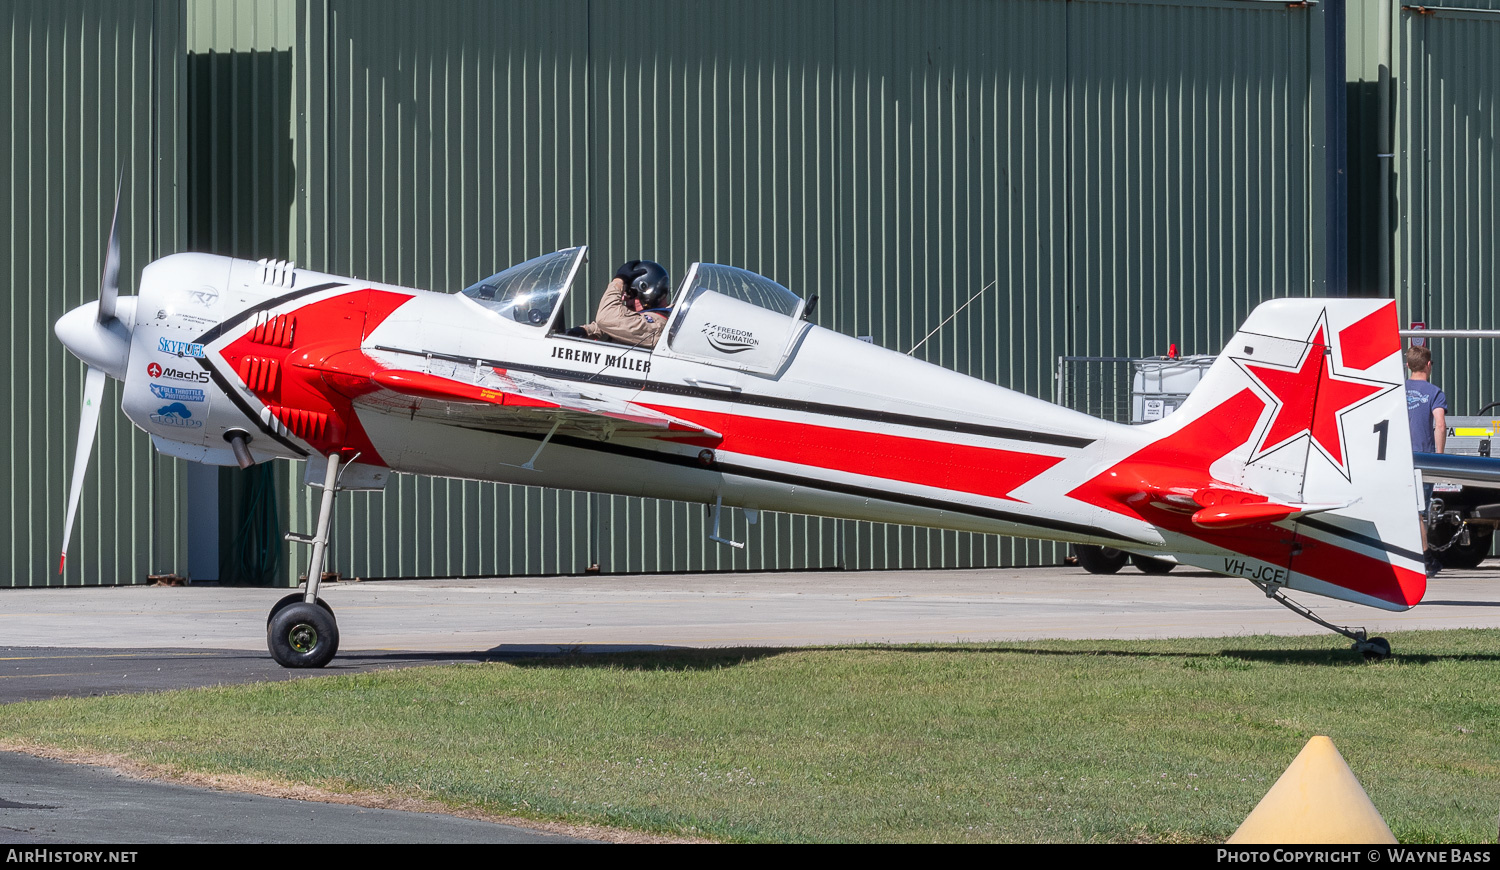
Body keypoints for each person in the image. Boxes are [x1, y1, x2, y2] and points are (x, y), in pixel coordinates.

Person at [1406, 344, 1447, 576]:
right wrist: (1439, 458)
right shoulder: (1434, 393)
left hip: (1396, 458)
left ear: (1408, 365)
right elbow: (1439, 425)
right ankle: (1425, 558)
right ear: (1429, 365)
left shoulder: (1396, 390)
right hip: (1422, 459)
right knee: (1417, 510)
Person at [566, 260, 672, 348]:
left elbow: (608, 319)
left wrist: (618, 281)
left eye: (630, 293)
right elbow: (614, 325)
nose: (624, 298)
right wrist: (584, 331)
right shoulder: (648, 320)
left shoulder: (659, 324)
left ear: (650, 293)